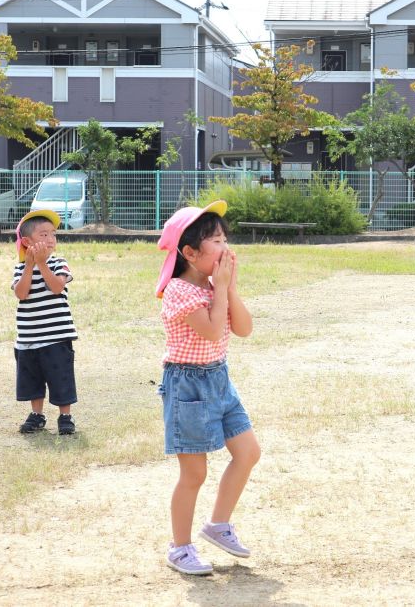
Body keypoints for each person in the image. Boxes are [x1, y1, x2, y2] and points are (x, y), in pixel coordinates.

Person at [155, 200, 261, 576]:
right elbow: (214, 329)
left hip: (218, 378)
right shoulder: (180, 291)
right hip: (188, 385)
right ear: (189, 252)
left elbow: (244, 328)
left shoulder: (216, 287)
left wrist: (227, 288)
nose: (225, 247)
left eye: (224, 238)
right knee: (194, 474)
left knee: (248, 452)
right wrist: (220, 290)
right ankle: (180, 548)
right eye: (216, 240)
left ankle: (218, 525)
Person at [12, 209, 79, 435]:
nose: (50, 239)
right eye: (43, 235)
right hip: (29, 338)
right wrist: (30, 266)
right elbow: (21, 294)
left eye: (53, 234)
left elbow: (57, 287)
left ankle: (65, 415)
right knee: (32, 380)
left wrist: (42, 264)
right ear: (27, 242)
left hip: (56, 337)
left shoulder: (59, 263)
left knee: (61, 377)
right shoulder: (20, 268)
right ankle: (37, 414)